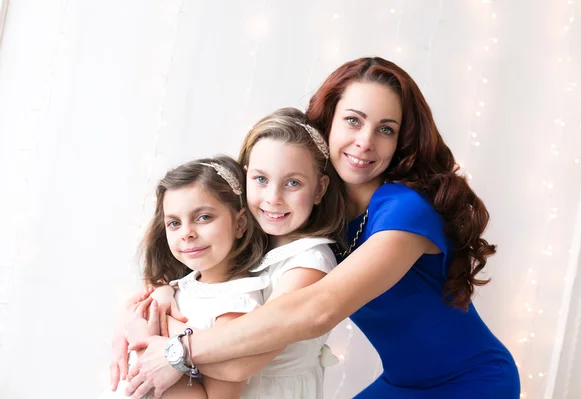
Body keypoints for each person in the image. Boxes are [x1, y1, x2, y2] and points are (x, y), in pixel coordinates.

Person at [125, 57, 521, 398]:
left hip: (471, 381)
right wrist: (149, 306)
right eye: (353, 121)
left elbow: (317, 310)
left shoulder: (406, 212)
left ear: (401, 141)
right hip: (404, 382)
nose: (365, 142)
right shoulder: (308, 205)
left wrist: (179, 350)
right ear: (328, 122)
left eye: (386, 129)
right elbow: (216, 248)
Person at [102, 155, 270, 398]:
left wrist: (147, 343)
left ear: (240, 223)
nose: (187, 233)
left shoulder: (237, 304)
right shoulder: (177, 287)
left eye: (203, 217)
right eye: (174, 223)